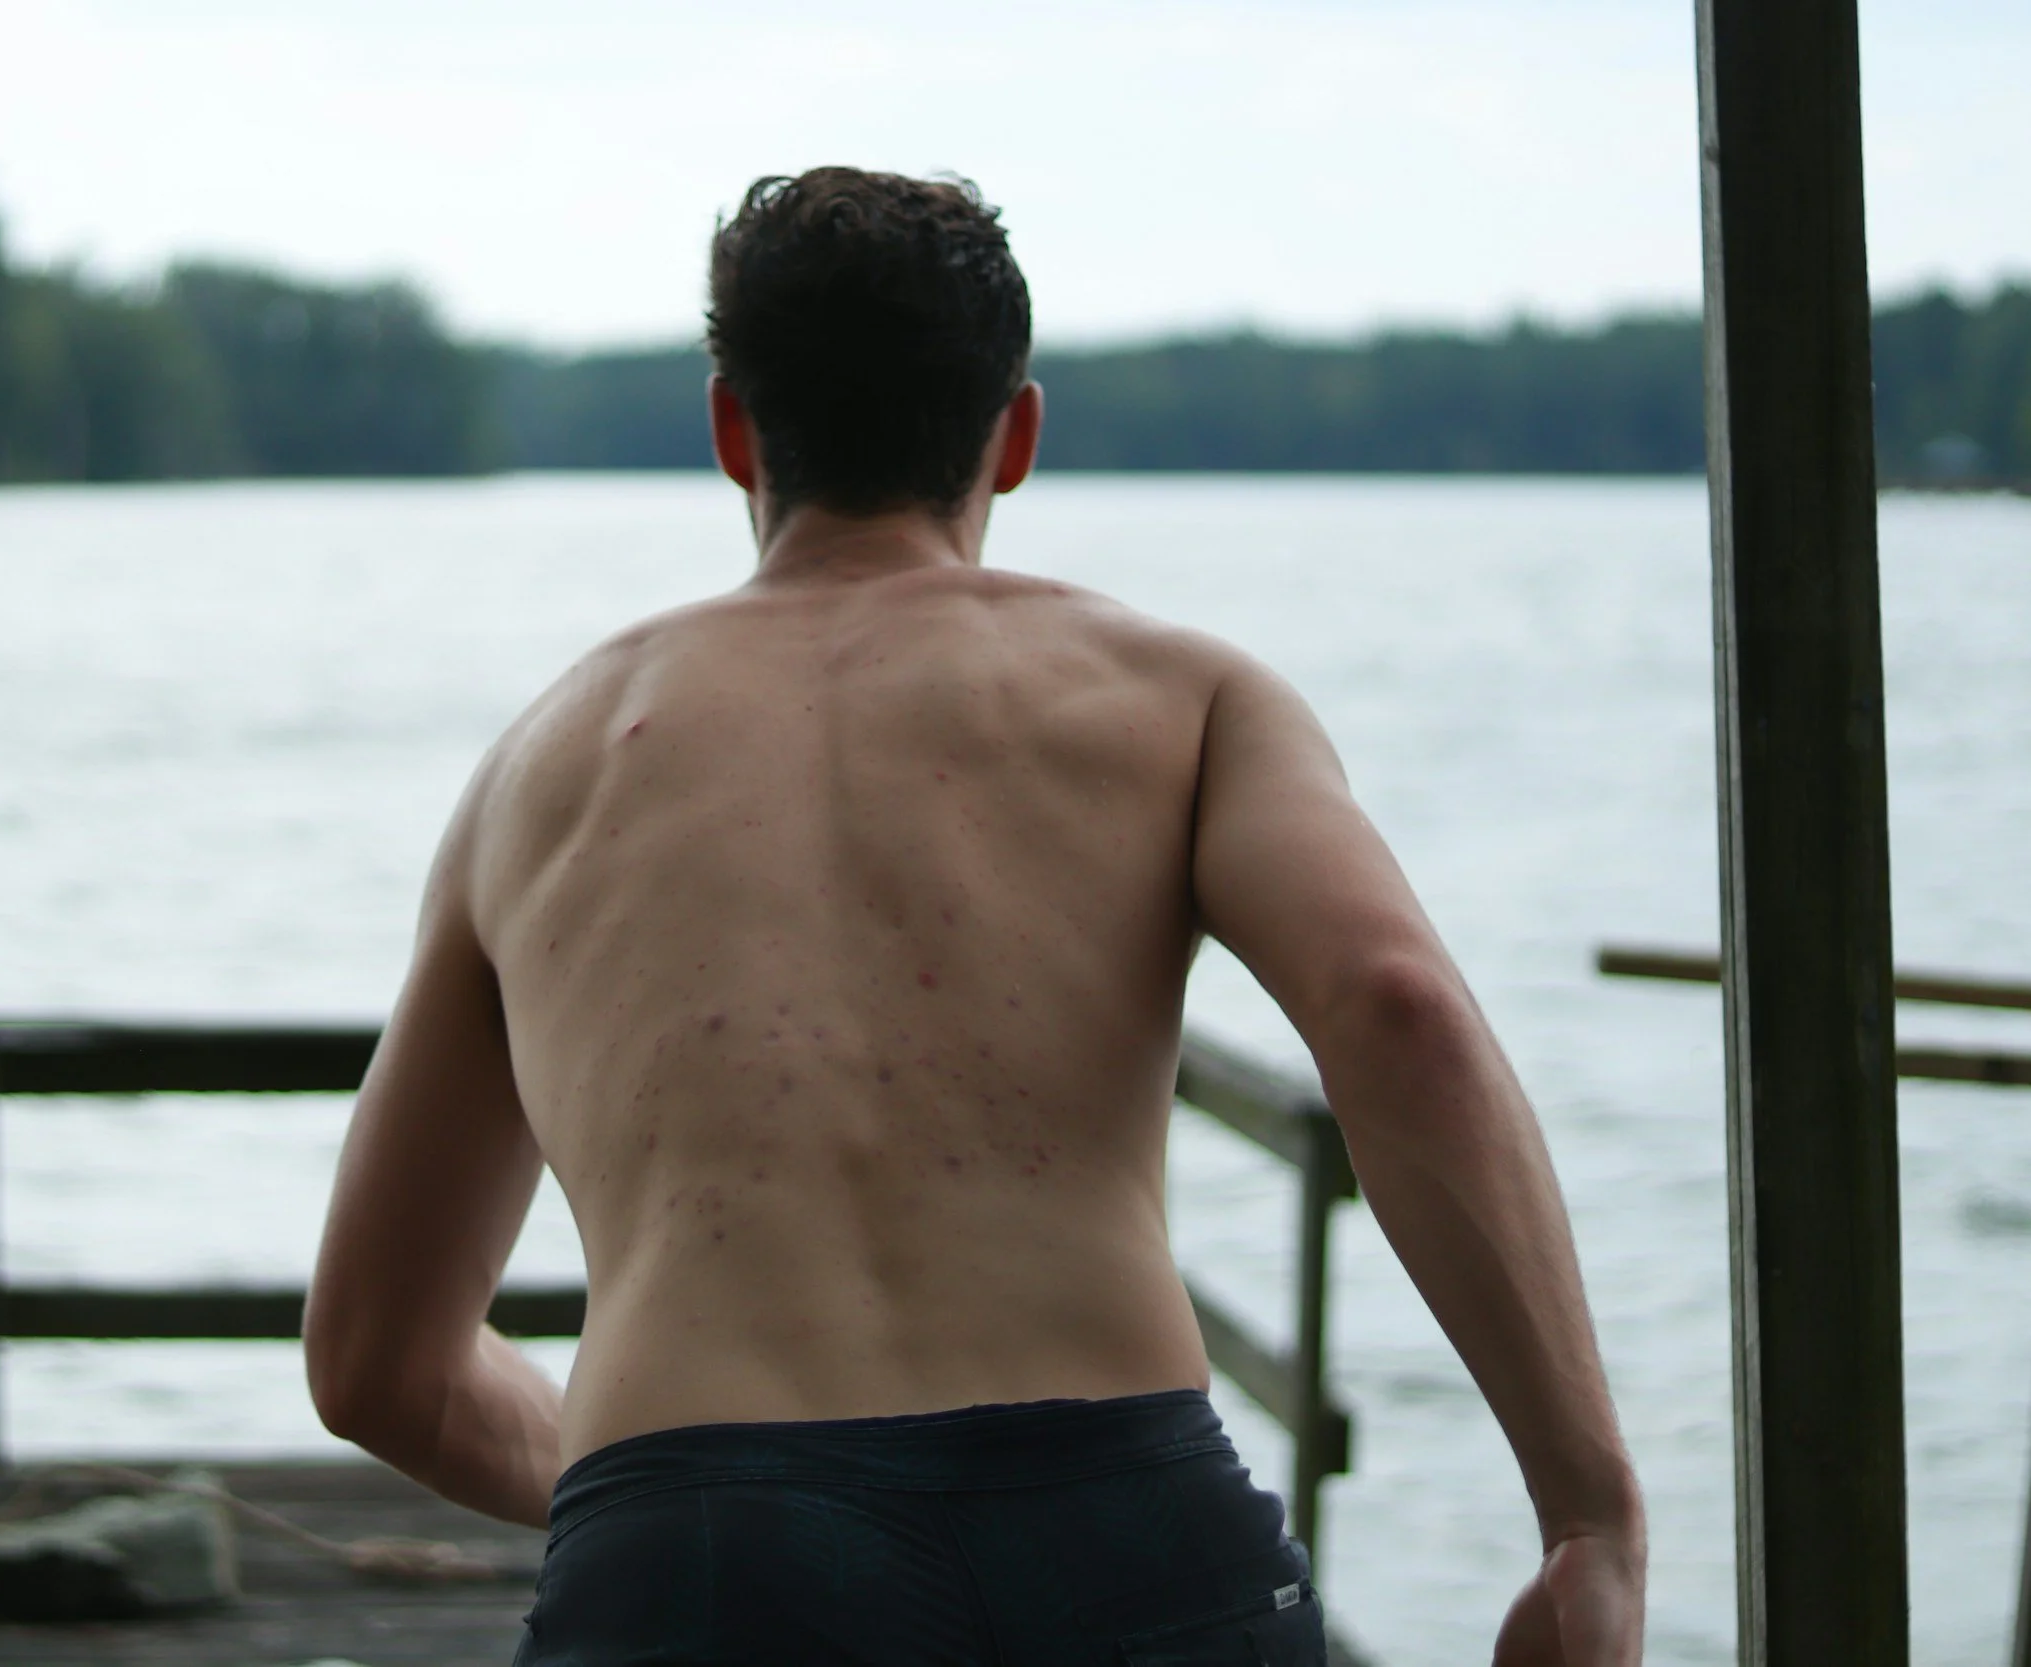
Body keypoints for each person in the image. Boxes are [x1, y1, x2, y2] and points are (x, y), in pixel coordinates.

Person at [304, 167, 1646, 1666]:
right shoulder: (1184, 697)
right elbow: (1399, 1008)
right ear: (1016, 435)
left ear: (733, 429)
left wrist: (679, 1501)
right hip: (1123, 1529)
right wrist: (1586, 1517)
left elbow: (376, 1364)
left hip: (695, 1555)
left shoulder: (539, 770)